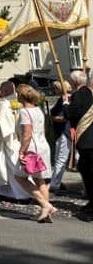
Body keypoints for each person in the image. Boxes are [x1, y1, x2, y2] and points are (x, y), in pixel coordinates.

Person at [11, 84, 55, 222]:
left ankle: (45, 205)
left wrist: (21, 151)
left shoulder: (25, 112)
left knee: (19, 176)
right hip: (43, 145)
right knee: (39, 179)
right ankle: (45, 213)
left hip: (31, 148)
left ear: (21, 96)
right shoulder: (38, 110)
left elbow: (27, 134)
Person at [0, 81, 31, 202]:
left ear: (4, 91)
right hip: (18, 140)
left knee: (10, 168)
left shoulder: (4, 105)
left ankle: (22, 194)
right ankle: (0, 192)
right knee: (5, 167)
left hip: (6, 140)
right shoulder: (20, 102)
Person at [64, 70, 93, 219]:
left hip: (88, 142)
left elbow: (71, 114)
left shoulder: (81, 94)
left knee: (88, 173)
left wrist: (65, 104)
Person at [48, 81, 72, 193]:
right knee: (59, 158)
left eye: (56, 88)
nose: (54, 90)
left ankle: (55, 183)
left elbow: (65, 117)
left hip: (65, 131)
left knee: (61, 158)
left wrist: (53, 118)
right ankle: (55, 182)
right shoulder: (61, 99)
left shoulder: (67, 99)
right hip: (61, 131)